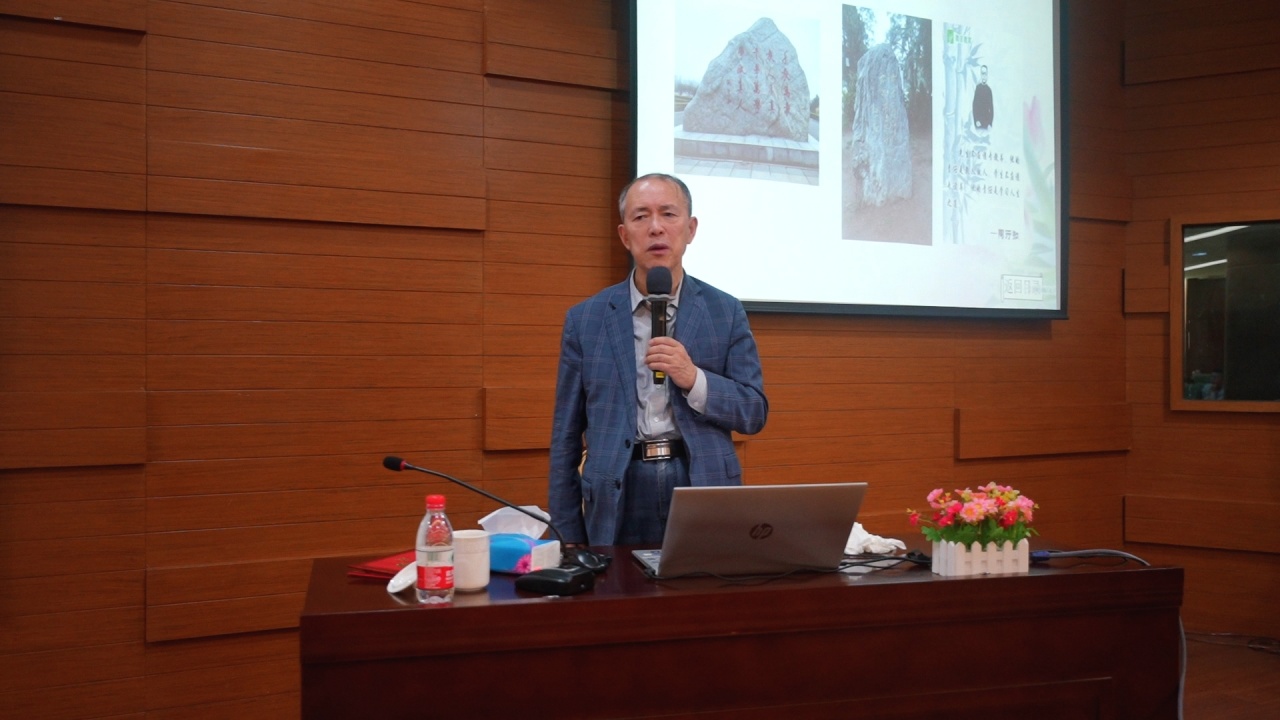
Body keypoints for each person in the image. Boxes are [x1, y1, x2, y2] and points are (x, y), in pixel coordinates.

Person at [547, 173, 769, 547]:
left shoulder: (725, 311)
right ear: (624, 235)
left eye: (668, 214)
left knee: (703, 585)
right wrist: (566, 533)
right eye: (641, 216)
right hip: (618, 487)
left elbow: (753, 411)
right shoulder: (586, 319)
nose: (655, 228)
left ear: (690, 229)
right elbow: (565, 434)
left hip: (701, 481)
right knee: (619, 586)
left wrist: (694, 378)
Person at [972, 64, 994, 129]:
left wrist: (990, 123)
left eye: (985, 74)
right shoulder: (978, 88)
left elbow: (991, 108)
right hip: (978, 122)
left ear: (987, 76)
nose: (984, 76)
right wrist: (976, 120)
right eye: (982, 74)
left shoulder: (989, 90)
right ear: (981, 75)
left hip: (987, 123)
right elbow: (974, 106)